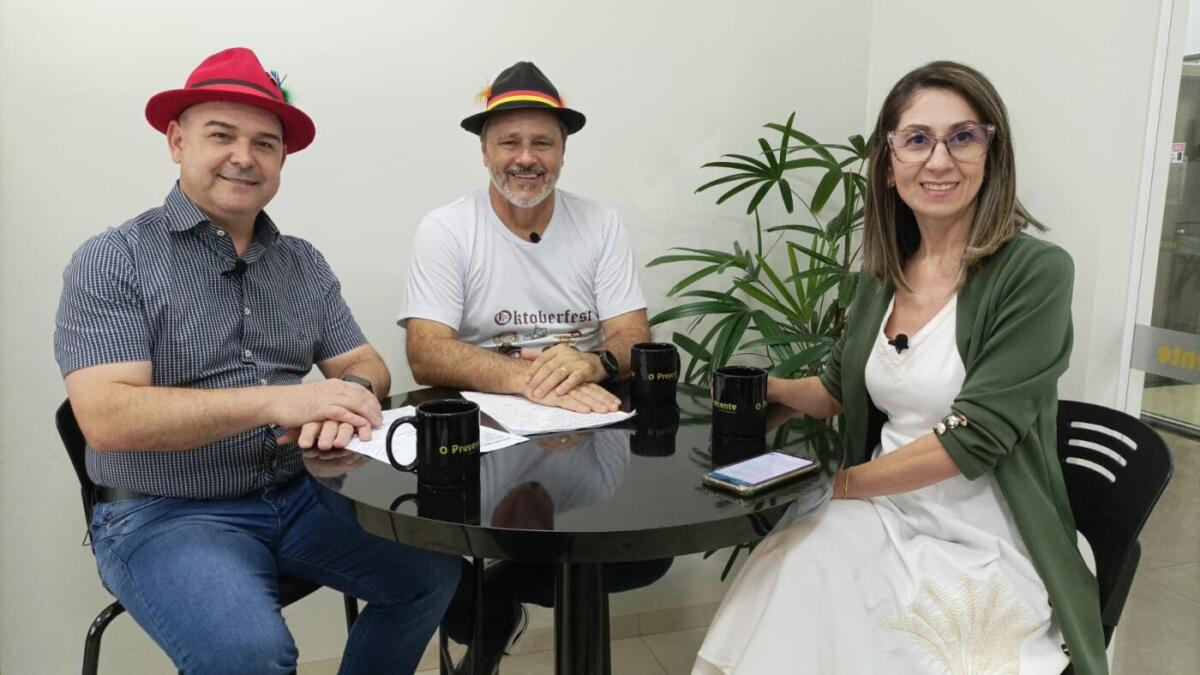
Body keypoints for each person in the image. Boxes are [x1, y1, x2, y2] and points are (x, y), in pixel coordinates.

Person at [54, 47, 459, 675]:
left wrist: (347, 393)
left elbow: (366, 361)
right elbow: (107, 417)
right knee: (251, 655)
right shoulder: (114, 258)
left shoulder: (302, 261)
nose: (244, 157)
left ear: (281, 161)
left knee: (433, 573)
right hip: (163, 510)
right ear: (177, 141)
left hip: (298, 494)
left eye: (265, 143)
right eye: (221, 135)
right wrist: (282, 400)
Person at [693, 61, 1106, 674]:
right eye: (917, 139)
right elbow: (837, 390)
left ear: (991, 155)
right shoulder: (881, 277)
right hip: (885, 513)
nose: (939, 160)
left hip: (984, 536)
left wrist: (839, 485)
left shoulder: (1036, 273)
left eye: (962, 137)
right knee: (792, 568)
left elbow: (975, 437)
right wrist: (764, 389)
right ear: (889, 165)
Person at [397, 61, 668, 674]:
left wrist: (595, 360)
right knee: (432, 550)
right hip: (481, 427)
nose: (526, 158)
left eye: (542, 143)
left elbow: (632, 336)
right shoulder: (447, 228)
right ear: (485, 151)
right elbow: (426, 351)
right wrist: (532, 379)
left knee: (647, 552)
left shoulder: (599, 223)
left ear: (563, 152)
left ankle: (499, 598)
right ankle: (488, 611)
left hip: (585, 420)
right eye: (509, 142)